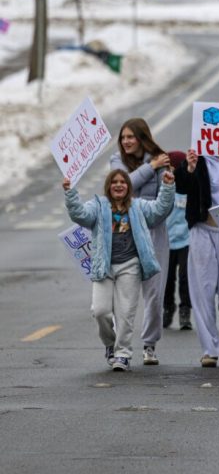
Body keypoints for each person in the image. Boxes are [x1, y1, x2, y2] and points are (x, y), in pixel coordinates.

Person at [64, 168, 176, 371]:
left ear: (128, 187)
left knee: (125, 314)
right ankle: (110, 345)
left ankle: (122, 354)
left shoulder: (139, 206)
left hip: (130, 266)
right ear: (108, 186)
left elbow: (160, 210)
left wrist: (168, 186)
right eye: (114, 182)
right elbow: (80, 215)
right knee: (100, 311)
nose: (118, 185)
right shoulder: (98, 206)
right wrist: (70, 193)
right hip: (103, 266)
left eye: (122, 182)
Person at [175, 142, 219, 368]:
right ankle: (210, 349)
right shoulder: (197, 159)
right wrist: (188, 168)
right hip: (201, 229)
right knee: (202, 291)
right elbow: (181, 186)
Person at [111, 118, 172, 366]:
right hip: (125, 234)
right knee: (124, 293)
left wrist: (158, 167)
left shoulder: (161, 159)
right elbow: (122, 186)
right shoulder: (116, 161)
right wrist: (150, 167)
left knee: (154, 293)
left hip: (154, 232)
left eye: (130, 137)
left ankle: (150, 344)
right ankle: (119, 346)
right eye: (123, 137)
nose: (126, 141)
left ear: (141, 138)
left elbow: (163, 203)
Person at [163, 151, 191, 331]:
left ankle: (185, 310)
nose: (171, 171)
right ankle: (168, 307)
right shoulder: (164, 186)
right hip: (166, 240)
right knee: (167, 278)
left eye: (174, 167)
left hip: (187, 240)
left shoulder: (189, 186)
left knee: (185, 278)